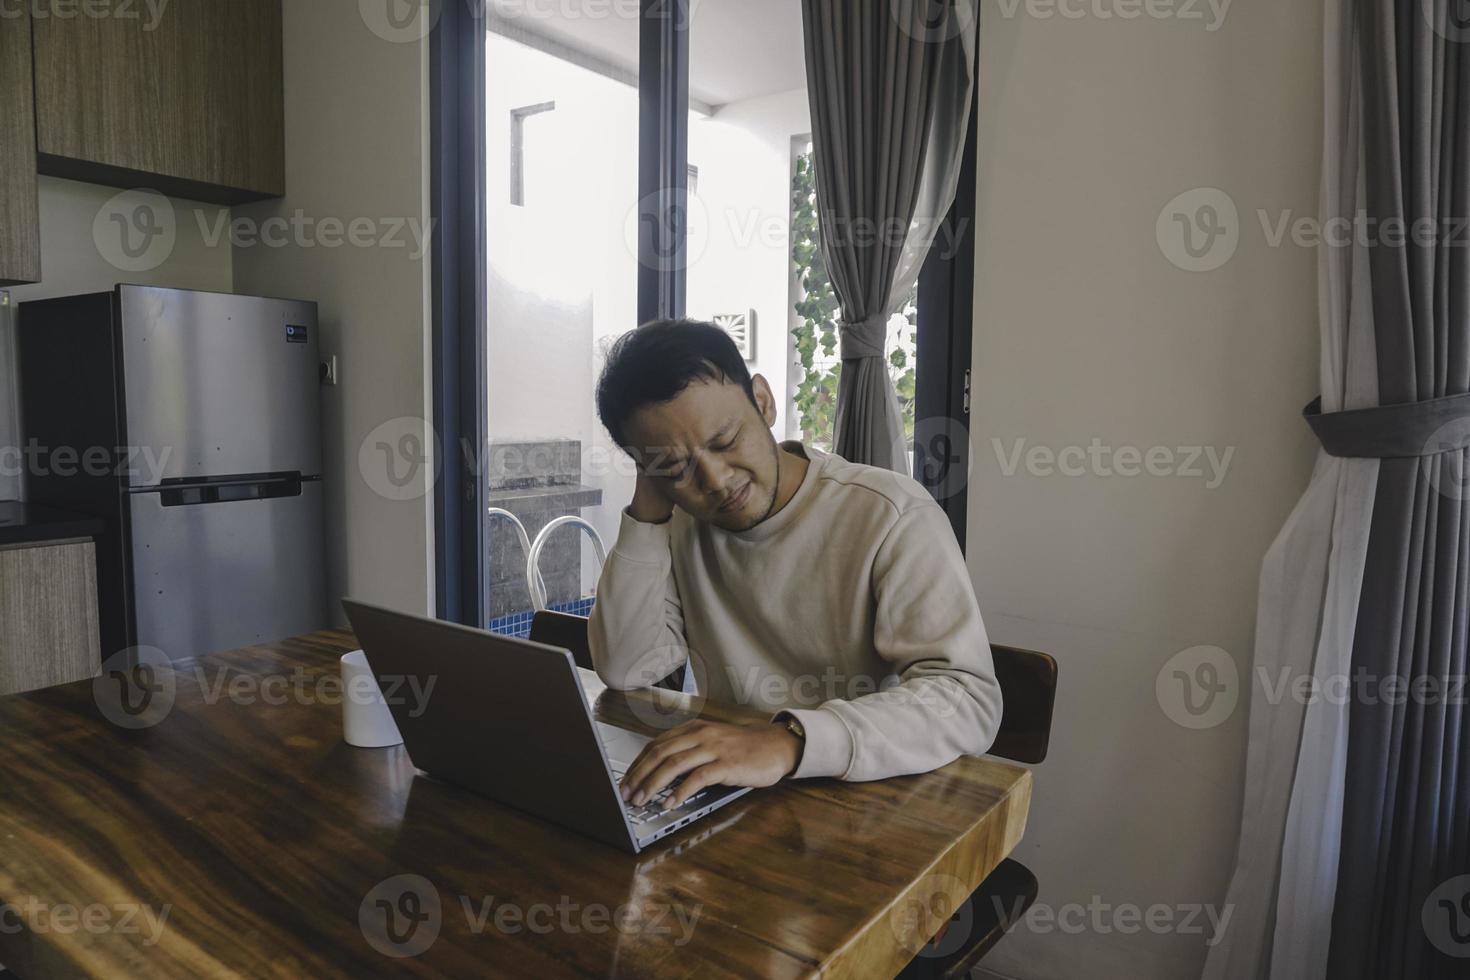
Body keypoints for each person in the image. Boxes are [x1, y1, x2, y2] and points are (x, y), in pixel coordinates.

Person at [588, 319, 1002, 812]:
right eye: (676, 469)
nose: (716, 481)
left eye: (725, 441)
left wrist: (792, 741)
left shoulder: (888, 514)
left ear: (763, 402)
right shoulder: (678, 523)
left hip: (869, 802)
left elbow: (967, 700)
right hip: (736, 799)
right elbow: (626, 666)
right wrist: (649, 509)